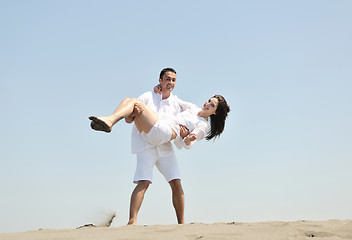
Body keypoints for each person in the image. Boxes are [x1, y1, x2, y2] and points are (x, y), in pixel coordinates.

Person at [89, 68, 230, 225]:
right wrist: (158, 91)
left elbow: (190, 141)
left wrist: (190, 138)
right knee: (131, 102)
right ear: (161, 80)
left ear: (215, 113)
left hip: (162, 134)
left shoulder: (202, 125)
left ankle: (182, 224)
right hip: (147, 138)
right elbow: (173, 100)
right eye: (209, 100)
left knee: (176, 182)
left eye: (212, 105)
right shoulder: (188, 107)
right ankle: (132, 222)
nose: (207, 103)